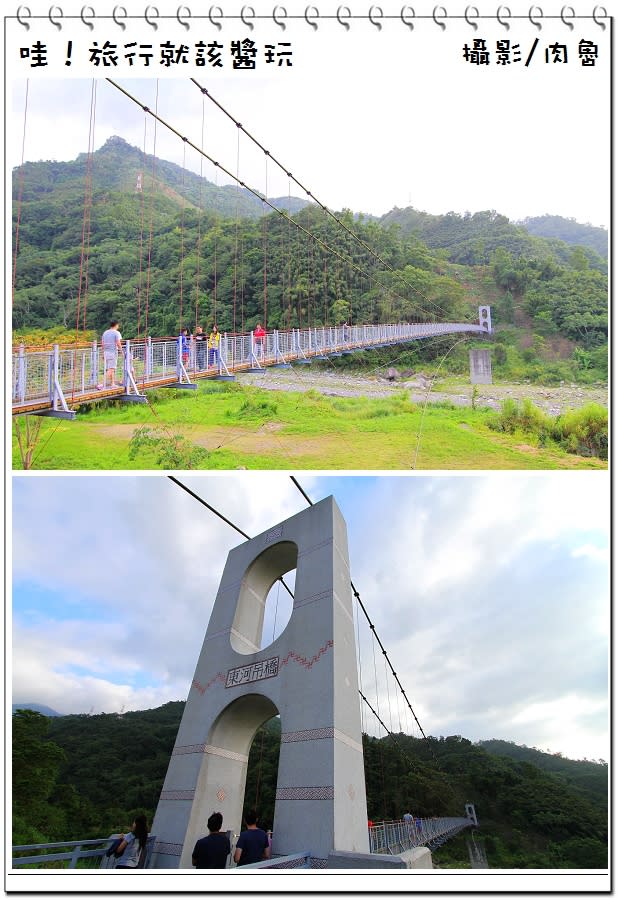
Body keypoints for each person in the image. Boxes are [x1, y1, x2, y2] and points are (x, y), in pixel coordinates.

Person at [100, 320, 122, 389]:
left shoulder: (105, 332)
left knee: (110, 369)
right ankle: (101, 384)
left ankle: (112, 384)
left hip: (106, 352)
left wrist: (102, 353)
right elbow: (118, 343)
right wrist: (121, 351)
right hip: (113, 352)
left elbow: (102, 343)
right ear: (116, 325)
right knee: (111, 369)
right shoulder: (116, 333)